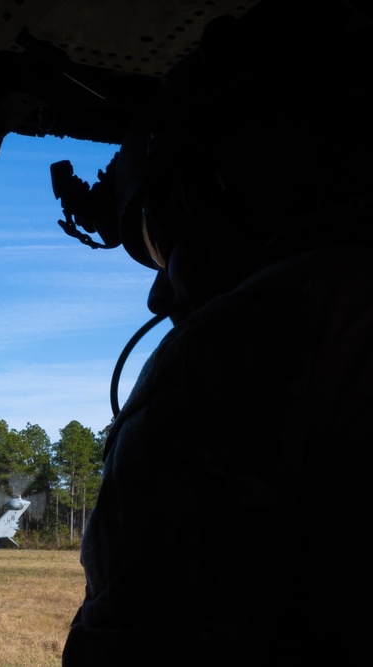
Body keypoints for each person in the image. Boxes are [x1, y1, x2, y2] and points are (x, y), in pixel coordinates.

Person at [51, 2, 373, 665]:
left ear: (221, 189)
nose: (159, 288)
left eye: (158, 243)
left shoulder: (246, 345)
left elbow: (142, 636)